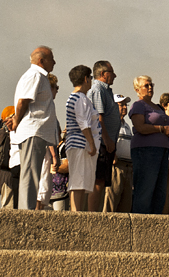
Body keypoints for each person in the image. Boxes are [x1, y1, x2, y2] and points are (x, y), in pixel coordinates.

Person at [8, 46, 58, 210]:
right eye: (51, 58)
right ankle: (26, 211)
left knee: (33, 174)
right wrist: (16, 120)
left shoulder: (38, 76)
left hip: (37, 132)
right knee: (30, 174)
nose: (55, 62)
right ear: (42, 61)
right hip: (32, 131)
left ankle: (27, 209)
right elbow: (23, 100)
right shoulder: (35, 75)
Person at [129, 75, 169, 214]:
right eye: (146, 85)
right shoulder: (138, 105)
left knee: (160, 190)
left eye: (151, 85)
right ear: (137, 89)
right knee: (146, 188)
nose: (150, 88)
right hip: (146, 150)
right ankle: (140, 221)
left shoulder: (157, 107)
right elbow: (140, 127)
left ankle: (155, 222)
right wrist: (161, 129)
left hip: (162, 150)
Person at [64, 65, 99, 211]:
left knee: (79, 179)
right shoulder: (81, 98)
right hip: (80, 144)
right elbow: (84, 123)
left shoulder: (73, 97)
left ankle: (76, 210)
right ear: (86, 79)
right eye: (90, 78)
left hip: (75, 143)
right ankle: (75, 212)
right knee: (78, 180)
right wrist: (91, 143)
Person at [86, 61, 119, 212]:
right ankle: (92, 215)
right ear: (103, 74)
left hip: (107, 143)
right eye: (112, 72)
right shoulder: (98, 90)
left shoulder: (106, 91)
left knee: (102, 181)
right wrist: (106, 140)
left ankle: (96, 213)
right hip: (102, 143)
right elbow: (99, 118)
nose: (115, 75)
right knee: (97, 180)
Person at [35, 73, 62, 210]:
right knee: (42, 188)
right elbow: (49, 132)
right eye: (56, 87)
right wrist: (54, 156)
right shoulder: (48, 106)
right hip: (45, 153)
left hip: (42, 151)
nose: (57, 90)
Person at [105, 94, 134, 213]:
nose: (124, 107)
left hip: (128, 167)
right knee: (112, 200)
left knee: (125, 204)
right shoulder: (110, 123)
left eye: (125, 105)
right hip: (116, 166)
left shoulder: (126, 126)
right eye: (121, 104)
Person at [0, 106, 19, 209]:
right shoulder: (5, 132)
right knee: (9, 206)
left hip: (9, 174)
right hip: (8, 174)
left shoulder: (3, 132)